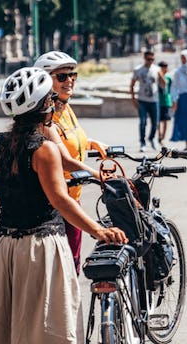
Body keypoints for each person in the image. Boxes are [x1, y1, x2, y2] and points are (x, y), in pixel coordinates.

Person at [0, 67, 127, 344]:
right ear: (45, 107)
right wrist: (99, 231)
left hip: (1, 247)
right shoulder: (45, 150)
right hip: (40, 249)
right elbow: (61, 200)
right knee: (46, 329)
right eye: (51, 101)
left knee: (2, 327)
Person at [34, 51, 108, 272]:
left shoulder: (65, 108)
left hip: (73, 199)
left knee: (71, 268)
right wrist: (99, 176)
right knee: (63, 272)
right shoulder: (46, 116)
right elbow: (64, 160)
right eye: (62, 77)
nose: (70, 81)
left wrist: (91, 143)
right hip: (57, 206)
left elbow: (71, 138)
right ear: (45, 81)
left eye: (73, 75)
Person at [130, 50, 160, 152]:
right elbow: (132, 84)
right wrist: (133, 98)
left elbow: (163, 84)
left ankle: (152, 138)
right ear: (144, 58)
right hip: (142, 100)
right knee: (143, 122)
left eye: (152, 59)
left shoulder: (157, 69)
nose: (150, 61)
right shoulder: (138, 70)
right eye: (148, 59)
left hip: (154, 100)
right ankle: (142, 143)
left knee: (155, 122)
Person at [157, 60, 174, 146]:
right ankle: (159, 136)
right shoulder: (156, 78)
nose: (165, 69)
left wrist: (173, 101)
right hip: (158, 101)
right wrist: (159, 75)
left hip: (166, 101)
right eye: (163, 67)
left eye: (166, 67)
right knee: (158, 121)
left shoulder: (168, 78)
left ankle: (163, 137)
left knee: (165, 120)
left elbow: (169, 89)